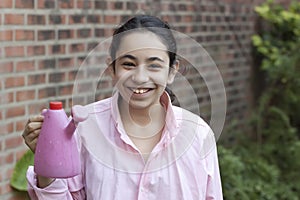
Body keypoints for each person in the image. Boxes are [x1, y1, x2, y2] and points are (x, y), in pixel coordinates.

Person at [22, 15, 223, 199]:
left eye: (154, 65)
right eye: (129, 64)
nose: (140, 78)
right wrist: (46, 161)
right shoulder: (84, 128)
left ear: (172, 71)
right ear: (112, 68)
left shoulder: (198, 134)